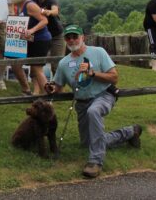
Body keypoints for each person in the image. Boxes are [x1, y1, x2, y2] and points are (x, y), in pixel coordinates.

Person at [44, 24, 142, 179]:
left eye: (75, 36)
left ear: (83, 37)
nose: (71, 40)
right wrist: (51, 87)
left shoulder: (98, 52)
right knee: (89, 142)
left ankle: (95, 162)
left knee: (94, 111)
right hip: (82, 103)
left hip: (103, 95)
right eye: (68, 37)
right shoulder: (63, 63)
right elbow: (58, 86)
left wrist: (92, 73)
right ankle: (131, 132)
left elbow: (114, 77)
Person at [8, 0, 50, 95]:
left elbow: (44, 20)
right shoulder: (19, 6)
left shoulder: (30, 5)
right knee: (15, 63)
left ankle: (47, 96)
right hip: (29, 40)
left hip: (40, 40)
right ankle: (26, 90)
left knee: (37, 69)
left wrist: (32, 30)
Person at [29, 0, 65, 74]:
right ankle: (37, 87)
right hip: (41, 36)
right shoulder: (31, 0)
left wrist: (47, 12)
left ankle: (58, 87)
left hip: (55, 35)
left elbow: (55, 11)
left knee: (56, 65)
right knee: (36, 63)